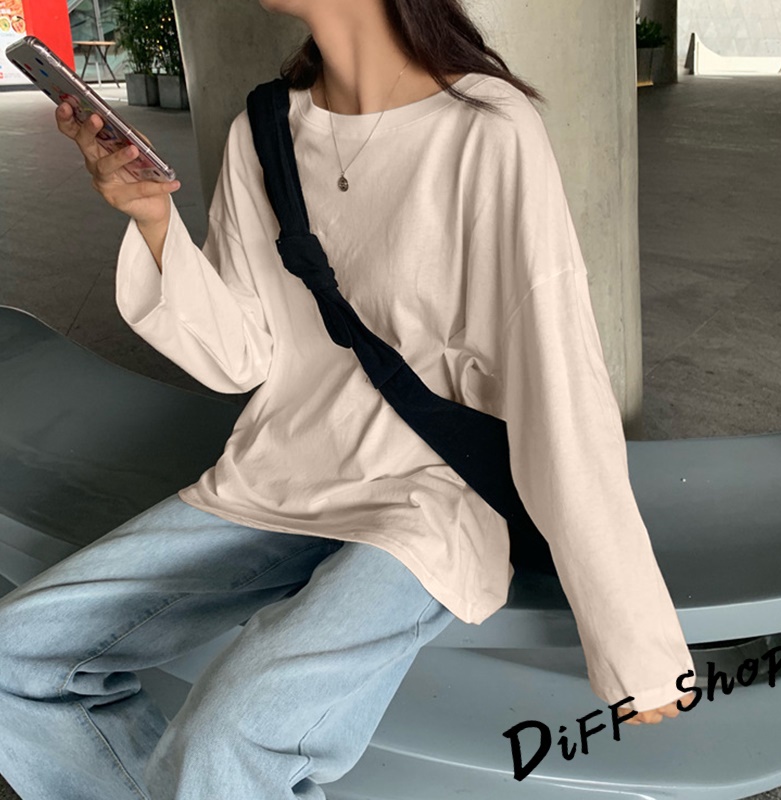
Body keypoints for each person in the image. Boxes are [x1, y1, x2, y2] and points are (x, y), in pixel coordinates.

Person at [0, 0, 694, 798]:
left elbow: (558, 378)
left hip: (431, 492)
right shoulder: (265, 128)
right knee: (16, 657)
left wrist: (635, 639)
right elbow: (242, 355)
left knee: (231, 733)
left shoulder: (487, 129)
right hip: (281, 472)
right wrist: (154, 221)